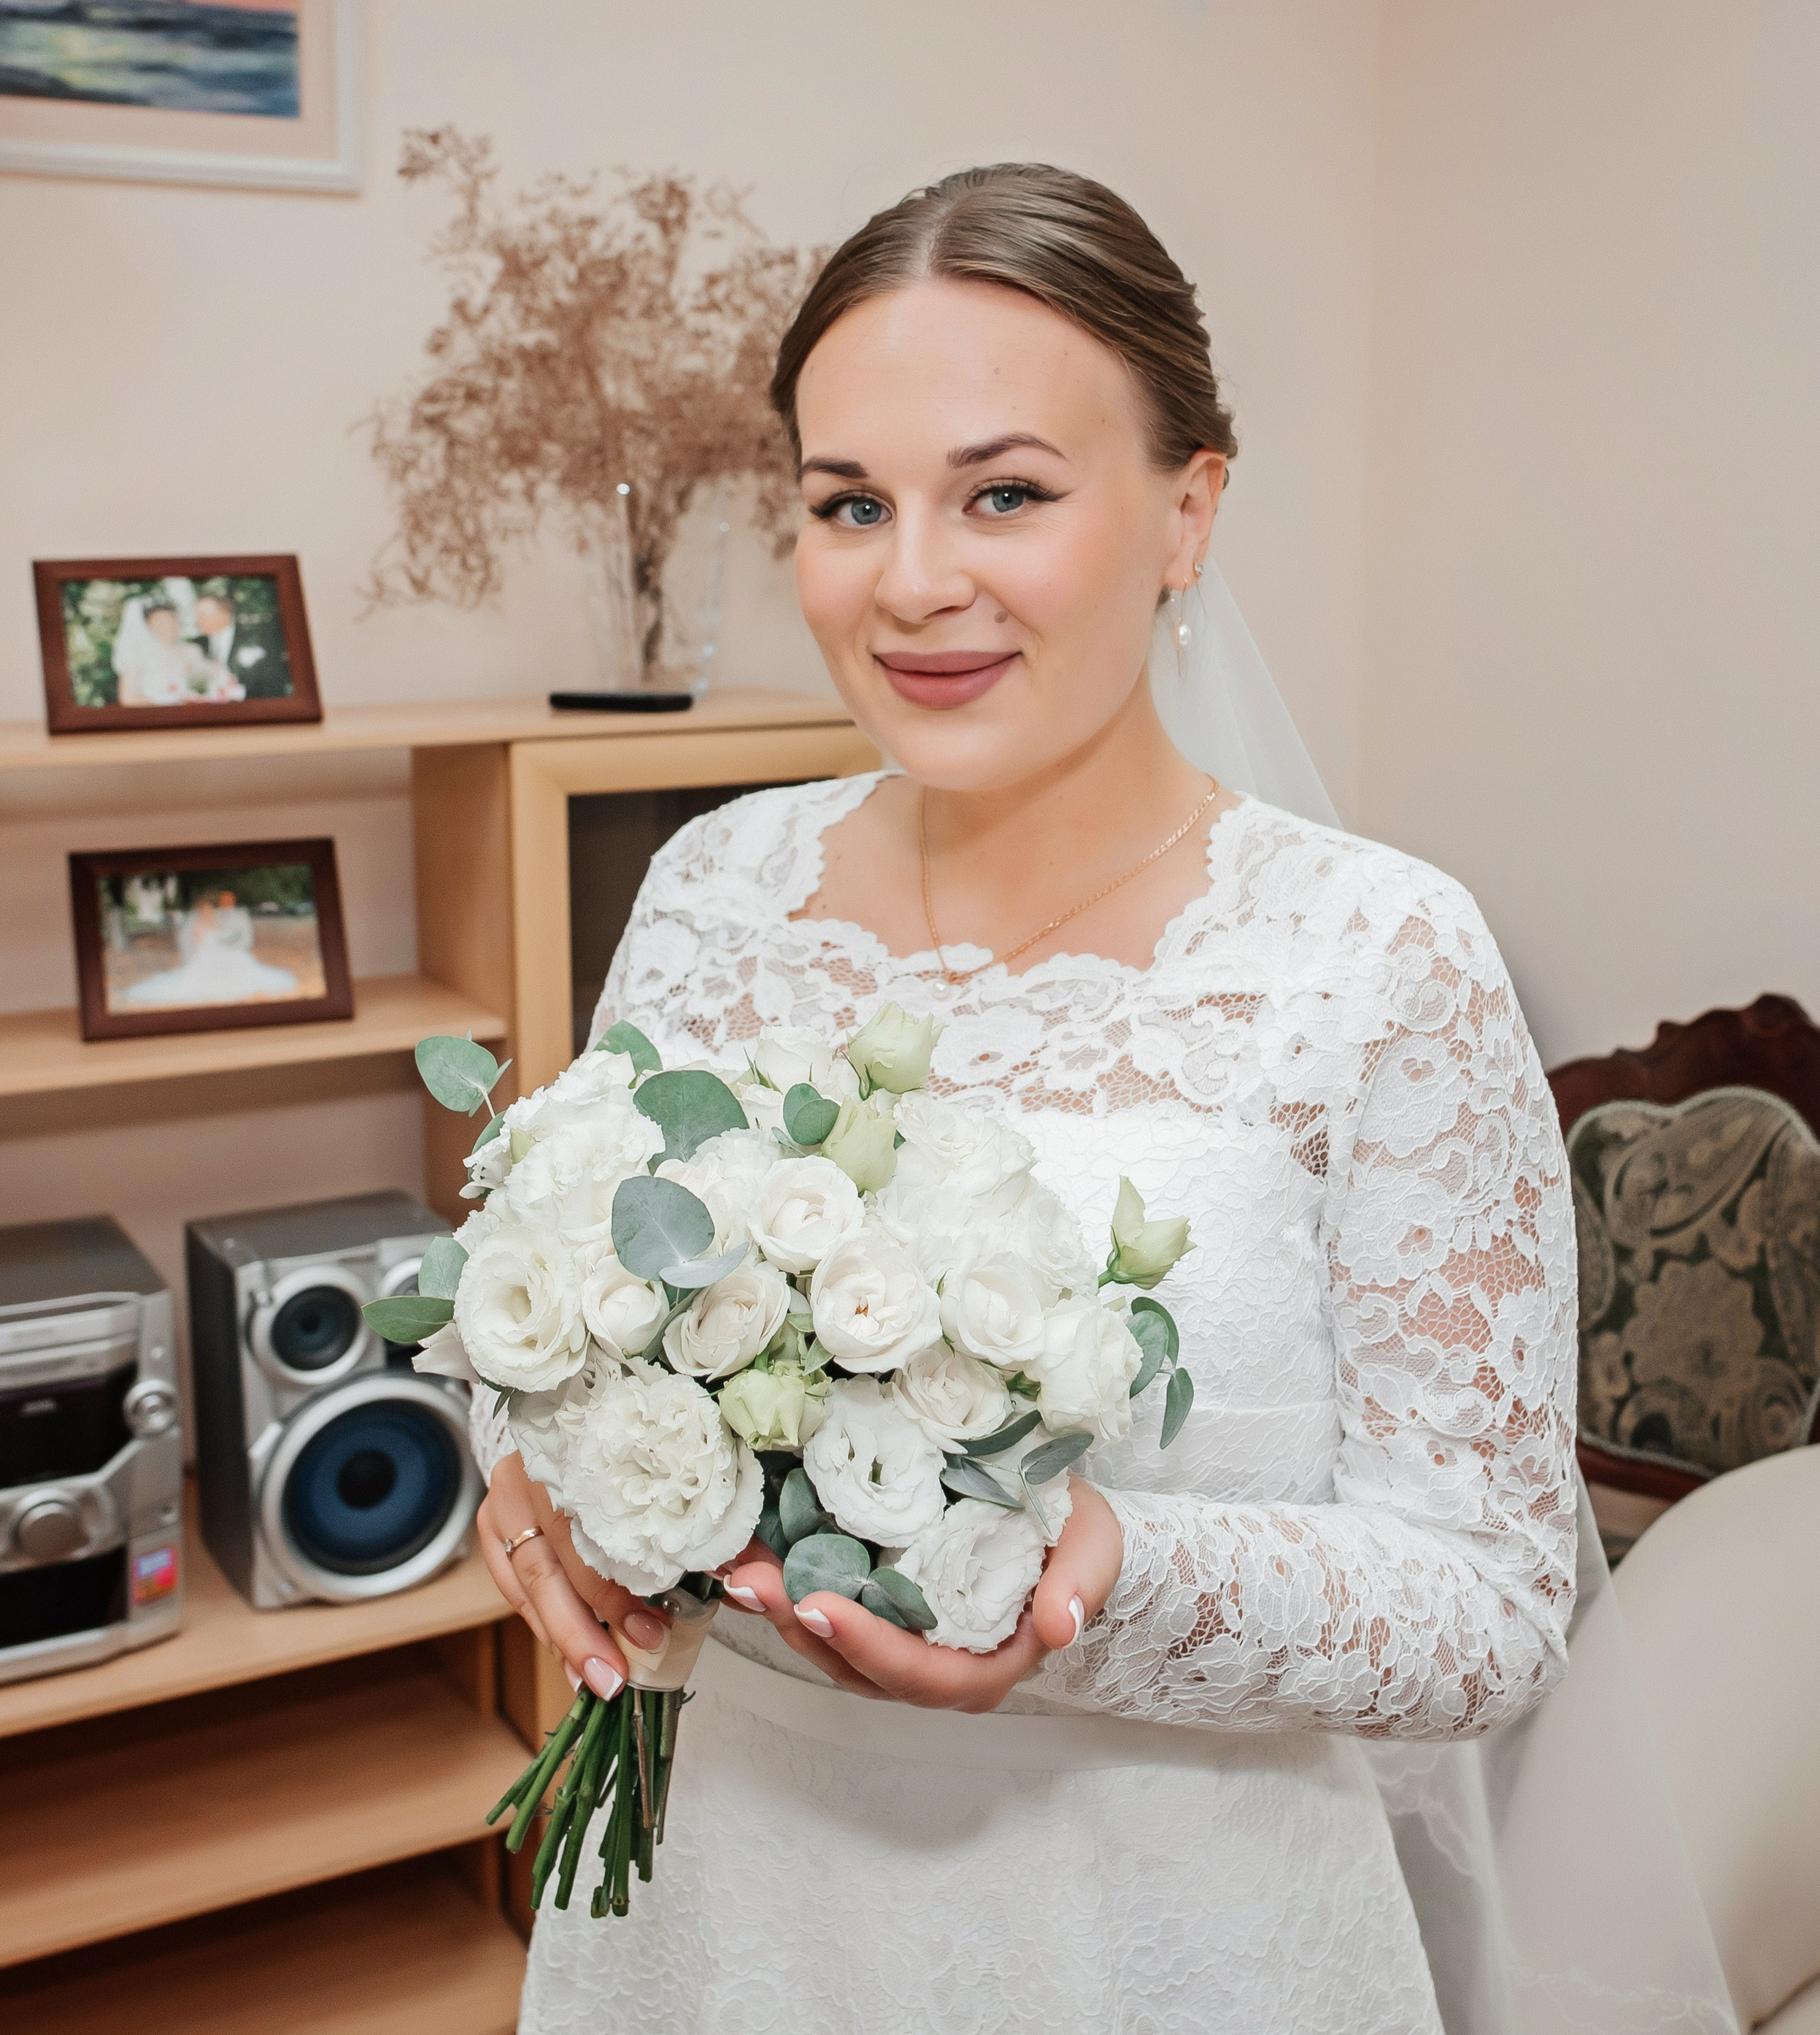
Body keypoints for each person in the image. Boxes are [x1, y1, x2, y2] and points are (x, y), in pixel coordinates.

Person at [471, 167, 1719, 2035]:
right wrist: (538, 1469)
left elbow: (1486, 1607)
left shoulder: (1375, 955)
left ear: (1186, 509)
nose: (910, 579)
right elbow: (564, 1301)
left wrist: (1102, 1572)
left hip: (1161, 1933)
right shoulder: (715, 888)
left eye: (1004, 493)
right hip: (722, 1906)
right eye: (846, 504)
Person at [120, 886, 299, 1009]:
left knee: (241, 961)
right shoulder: (198, 925)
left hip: (221, 951)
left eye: (210, 910)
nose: (209, 912)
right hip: (206, 955)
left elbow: (225, 935)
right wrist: (204, 953)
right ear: (201, 912)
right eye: (206, 910)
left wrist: (232, 944)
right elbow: (197, 944)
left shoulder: (215, 921)